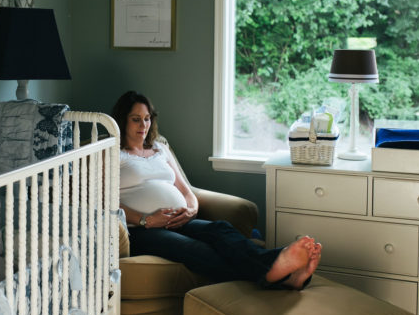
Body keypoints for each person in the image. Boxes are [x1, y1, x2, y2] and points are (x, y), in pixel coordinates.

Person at [111, 90, 322, 289]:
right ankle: (280, 273)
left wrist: (191, 210)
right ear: (123, 120)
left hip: (179, 221)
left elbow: (186, 191)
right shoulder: (112, 153)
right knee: (195, 249)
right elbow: (101, 201)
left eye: (147, 118)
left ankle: (282, 272)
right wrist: (145, 220)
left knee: (220, 229)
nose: (144, 125)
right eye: (136, 119)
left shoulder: (159, 147)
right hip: (142, 231)